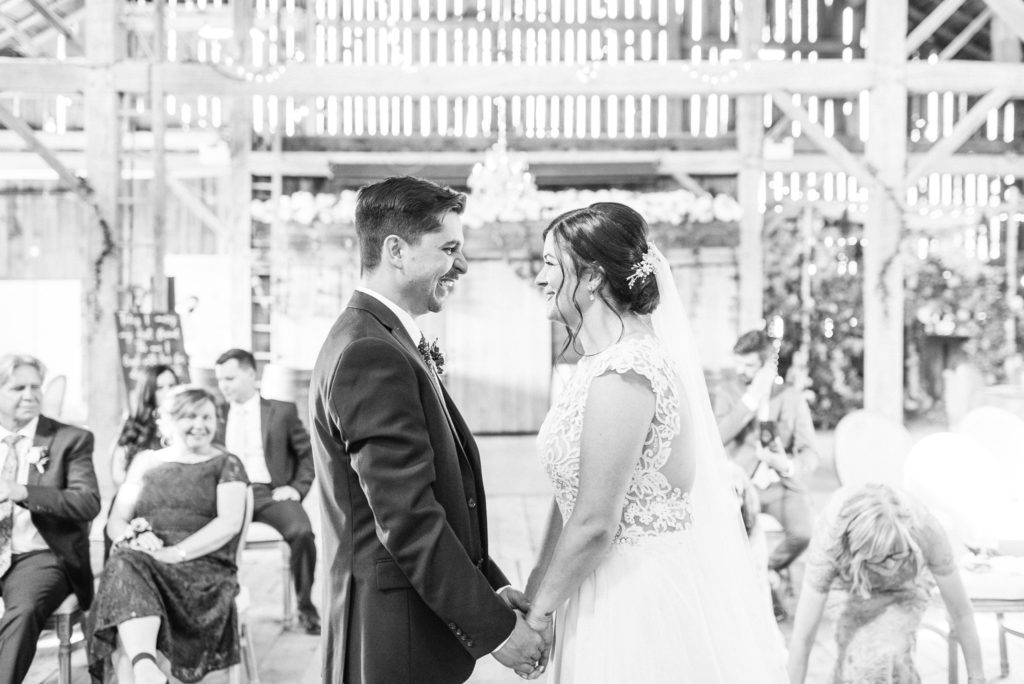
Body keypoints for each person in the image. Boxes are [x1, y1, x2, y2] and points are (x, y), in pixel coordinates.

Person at [525, 203, 787, 683]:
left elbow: (596, 522)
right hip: (590, 582)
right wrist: (539, 585)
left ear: (592, 278)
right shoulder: (601, 365)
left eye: (548, 264)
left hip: (630, 599)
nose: (539, 279)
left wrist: (538, 615)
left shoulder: (628, 372)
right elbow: (571, 498)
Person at [309, 176, 546, 684]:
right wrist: (499, 632)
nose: (461, 265)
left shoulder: (383, 339)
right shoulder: (370, 352)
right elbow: (409, 519)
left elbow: (436, 498)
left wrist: (490, 591)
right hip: (393, 635)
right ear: (396, 250)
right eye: (449, 248)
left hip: (409, 624)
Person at [88, 386, 249, 684]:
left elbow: (229, 523)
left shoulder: (227, 464)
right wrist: (135, 537)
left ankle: (141, 665)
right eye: (190, 416)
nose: (200, 425)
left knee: (123, 575)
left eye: (207, 417)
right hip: (146, 562)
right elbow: (116, 521)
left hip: (202, 565)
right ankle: (145, 665)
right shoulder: (144, 462)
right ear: (167, 421)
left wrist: (177, 552)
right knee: (125, 561)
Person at [788, 483, 985, 684]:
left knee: (889, 655)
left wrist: (976, 678)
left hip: (907, 583)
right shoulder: (829, 542)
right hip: (850, 583)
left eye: (896, 553)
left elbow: (961, 613)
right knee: (858, 663)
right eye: (880, 558)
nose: (890, 564)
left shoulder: (926, 529)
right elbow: (803, 638)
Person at [0, 353, 101, 684]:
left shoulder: (69, 439)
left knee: (23, 610)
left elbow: (87, 502)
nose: (30, 395)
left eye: (35, 387)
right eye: (18, 388)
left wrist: (22, 491)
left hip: (40, 555)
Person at [712, 329, 819, 619]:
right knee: (732, 535)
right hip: (742, 487)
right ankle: (754, 594)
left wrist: (786, 465)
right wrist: (749, 401)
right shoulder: (728, 393)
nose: (740, 370)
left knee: (804, 533)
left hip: (781, 485)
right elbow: (716, 437)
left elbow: (810, 452)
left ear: (765, 366)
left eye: (748, 365)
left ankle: (767, 572)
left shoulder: (791, 397)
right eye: (739, 363)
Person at [214, 348, 320, 634]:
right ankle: (217, 607)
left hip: (270, 492)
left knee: (302, 532)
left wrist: (297, 489)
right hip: (227, 494)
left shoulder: (281, 411)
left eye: (230, 378)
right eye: (220, 380)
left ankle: (305, 606)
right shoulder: (213, 413)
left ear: (251, 374)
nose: (224, 385)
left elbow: (307, 454)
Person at [105, 365, 179, 558]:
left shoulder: (183, 427)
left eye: (172, 385)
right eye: (160, 387)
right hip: (135, 505)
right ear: (149, 392)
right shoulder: (133, 428)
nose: (168, 391)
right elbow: (117, 476)